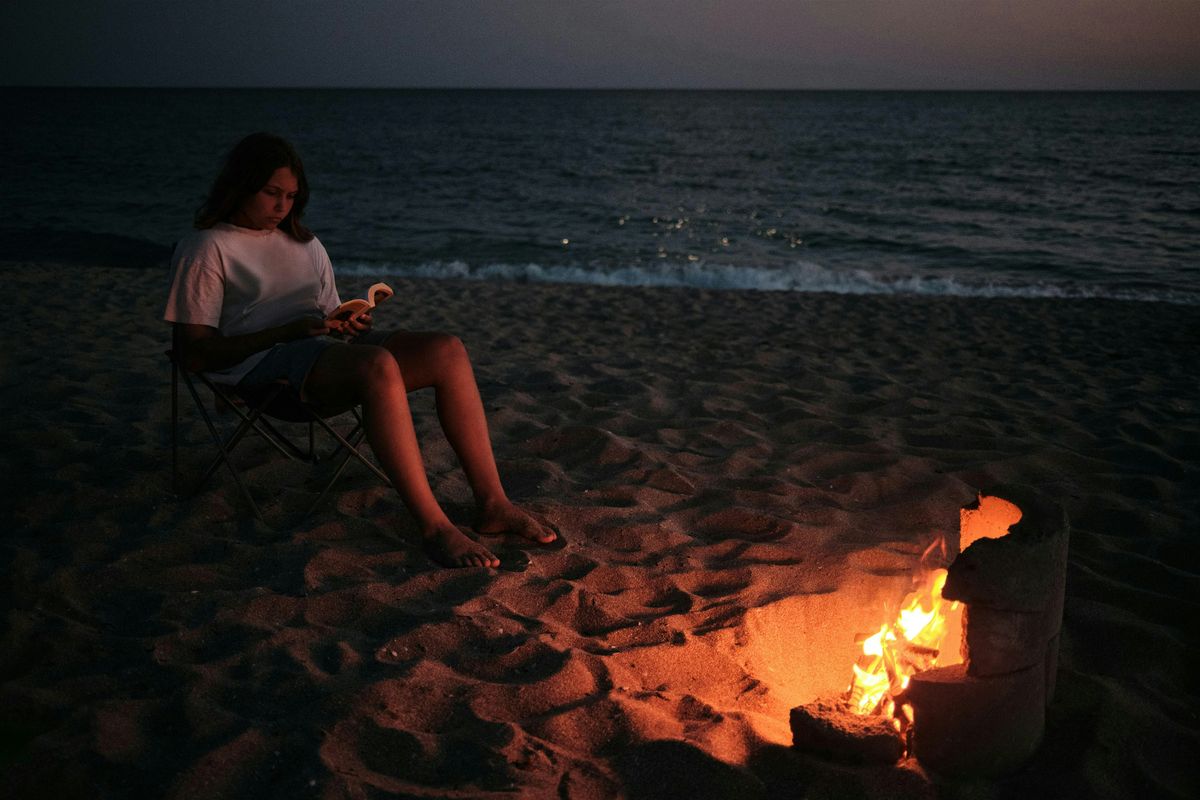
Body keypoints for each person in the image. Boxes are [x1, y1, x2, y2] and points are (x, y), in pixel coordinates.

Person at [164, 132, 557, 568]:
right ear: (240, 186)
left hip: (319, 356)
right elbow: (195, 355)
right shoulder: (207, 248)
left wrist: (348, 322)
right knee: (376, 365)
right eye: (271, 193)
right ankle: (434, 526)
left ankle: (493, 504)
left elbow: (328, 314)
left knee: (447, 349)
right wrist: (284, 333)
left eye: (291, 196)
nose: (281, 206)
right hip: (262, 372)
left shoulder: (305, 245)